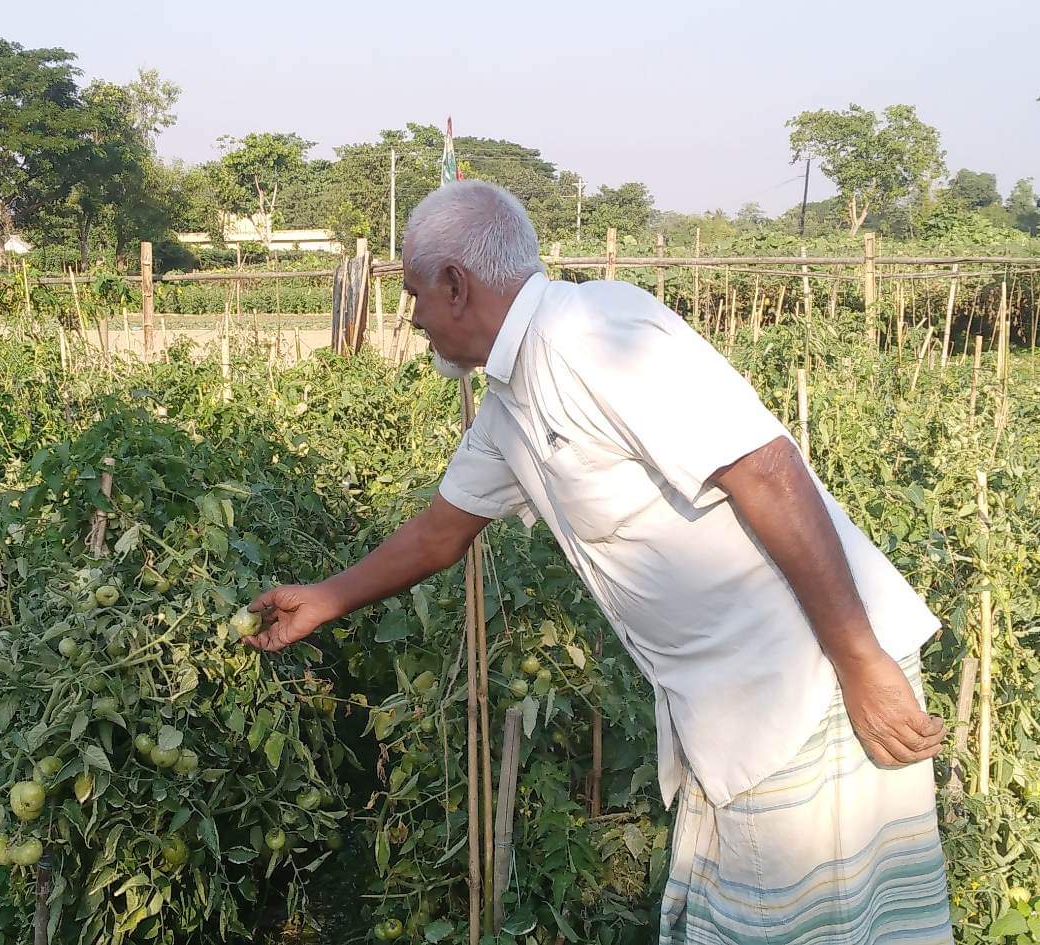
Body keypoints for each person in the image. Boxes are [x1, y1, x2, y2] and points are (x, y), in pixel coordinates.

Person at [247, 180, 955, 944]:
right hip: (736, 711)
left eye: (414, 292)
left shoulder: (596, 333)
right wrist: (324, 598)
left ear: (456, 284)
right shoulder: (509, 402)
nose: (411, 315)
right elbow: (438, 534)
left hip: (812, 684)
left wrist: (861, 661)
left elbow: (768, 471)